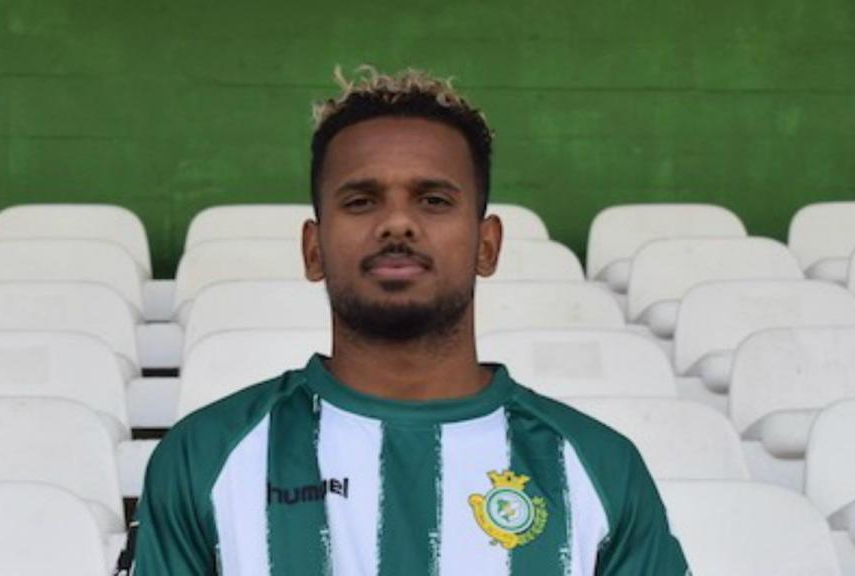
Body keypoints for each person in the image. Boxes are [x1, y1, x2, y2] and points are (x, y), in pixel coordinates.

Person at [132, 66, 690, 575]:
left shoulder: (597, 469)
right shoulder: (205, 458)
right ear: (313, 249)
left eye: (434, 201)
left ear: (488, 245)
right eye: (360, 201)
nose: (397, 222)